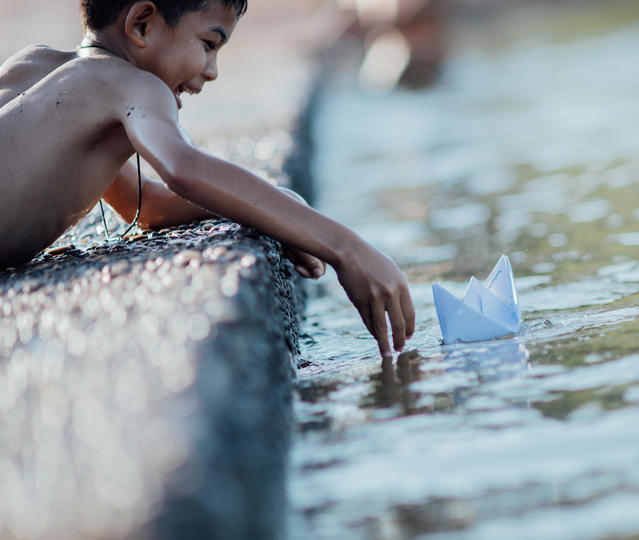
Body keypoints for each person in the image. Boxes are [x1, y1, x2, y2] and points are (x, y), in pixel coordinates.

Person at [0, 0, 415, 357]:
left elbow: (148, 205)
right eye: (209, 44)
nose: (213, 70)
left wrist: (278, 206)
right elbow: (185, 170)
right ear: (141, 24)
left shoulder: (32, 65)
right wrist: (346, 247)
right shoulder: (133, 85)